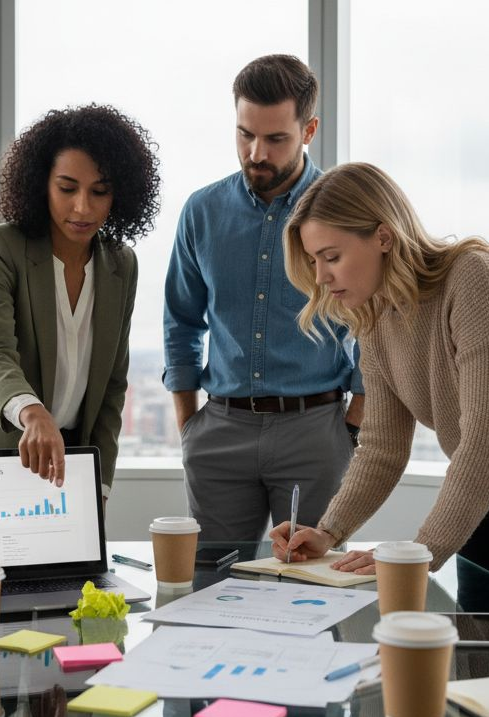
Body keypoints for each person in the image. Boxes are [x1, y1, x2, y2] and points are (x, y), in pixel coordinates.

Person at [270, 162, 489, 622]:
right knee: (476, 655)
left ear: (383, 237)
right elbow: (382, 449)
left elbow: (488, 446)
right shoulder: (375, 318)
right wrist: (329, 531)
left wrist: (418, 554)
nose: (320, 278)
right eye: (314, 261)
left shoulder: (478, 281)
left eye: (331, 257)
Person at [163, 54, 363, 543]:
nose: (256, 153)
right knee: (212, 587)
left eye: (276, 139)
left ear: (309, 129)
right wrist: (190, 425)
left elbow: (374, 324)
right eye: (245, 134)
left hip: (315, 433)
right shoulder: (201, 211)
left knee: (313, 590)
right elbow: (182, 321)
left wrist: (351, 429)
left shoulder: (344, 209)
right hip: (220, 431)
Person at [0, 105, 160, 500]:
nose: (83, 207)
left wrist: (98, 486)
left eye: (99, 191)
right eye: (67, 188)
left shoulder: (121, 265)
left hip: (62, 464)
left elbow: (112, 386)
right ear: (41, 184)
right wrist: (32, 414)